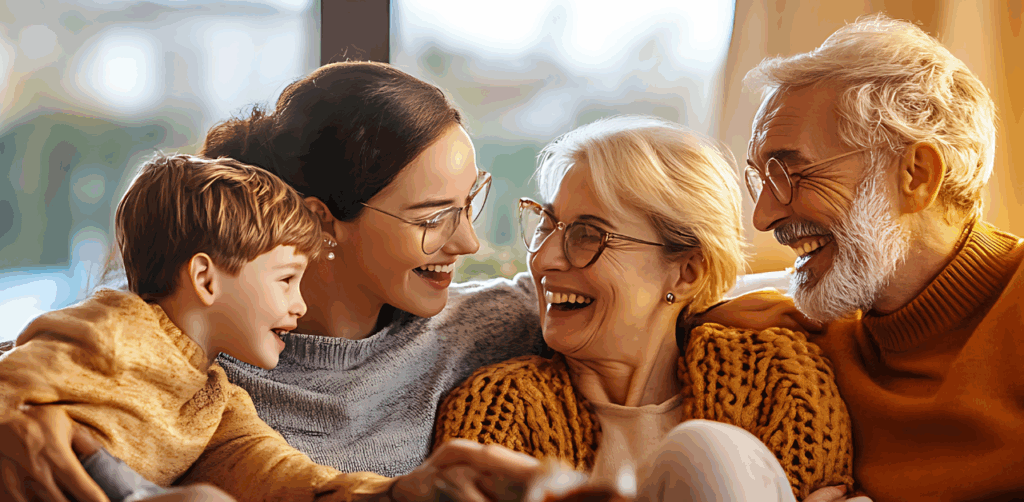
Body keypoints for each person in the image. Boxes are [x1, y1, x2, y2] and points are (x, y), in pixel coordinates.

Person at [0, 61, 549, 502]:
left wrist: (402, 493)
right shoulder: (176, 340)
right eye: (432, 217)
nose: (469, 243)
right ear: (323, 221)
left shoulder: (494, 321)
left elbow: (280, 475)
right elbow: (39, 362)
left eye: (470, 202)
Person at [433, 115, 855, 501]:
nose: (544, 259)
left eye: (587, 235)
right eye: (546, 225)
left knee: (707, 451)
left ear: (687, 272)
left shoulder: (778, 379)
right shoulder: (498, 410)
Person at [738, 13, 1024, 501]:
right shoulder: (796, 339)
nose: (762, 217)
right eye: (760, 180)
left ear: (915, 175)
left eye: (791, 174)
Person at [0, 153, 382, 502]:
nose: (299, 305)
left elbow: (280, 473)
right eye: (286, 280)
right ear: (205, 279)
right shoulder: (115, 331)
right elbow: (10, 383)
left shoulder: (214, 398)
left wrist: (392, 492)